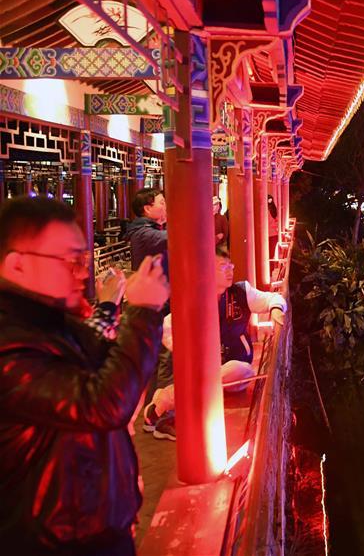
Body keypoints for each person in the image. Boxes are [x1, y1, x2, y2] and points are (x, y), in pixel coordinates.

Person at [0, 196, 169, 555]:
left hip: (93, 529)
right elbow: (103, 404)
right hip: (53, 542)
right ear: (17, 265)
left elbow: (108, 362)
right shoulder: (9, 346)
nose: (81, 273)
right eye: (70, 260)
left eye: (83, 259)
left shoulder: (52, 324)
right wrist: (143, 312)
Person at [144, 246, 285, 440]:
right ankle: (163, 411)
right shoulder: (195, 298)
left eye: (230, 266)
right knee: (207, 380)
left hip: (236, 372)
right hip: (208, 374)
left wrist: (276, 309)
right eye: (222, 267)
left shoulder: (241, 292)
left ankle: (162, 403)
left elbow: (274, 298)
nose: (230, 271)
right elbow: (167, 327)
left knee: (241, 369)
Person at [125, 187, 167, 274]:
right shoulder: (143, 233)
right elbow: (177, 238)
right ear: (147, 209)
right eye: (162, 203)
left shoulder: (151, 228)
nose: (166, 207)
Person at [267, 194, 279, 259]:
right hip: (274, 233)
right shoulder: (274, 209)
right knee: (272, 252)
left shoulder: (266, 211)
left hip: (269, 234)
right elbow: (277, 221)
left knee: (269, 253)